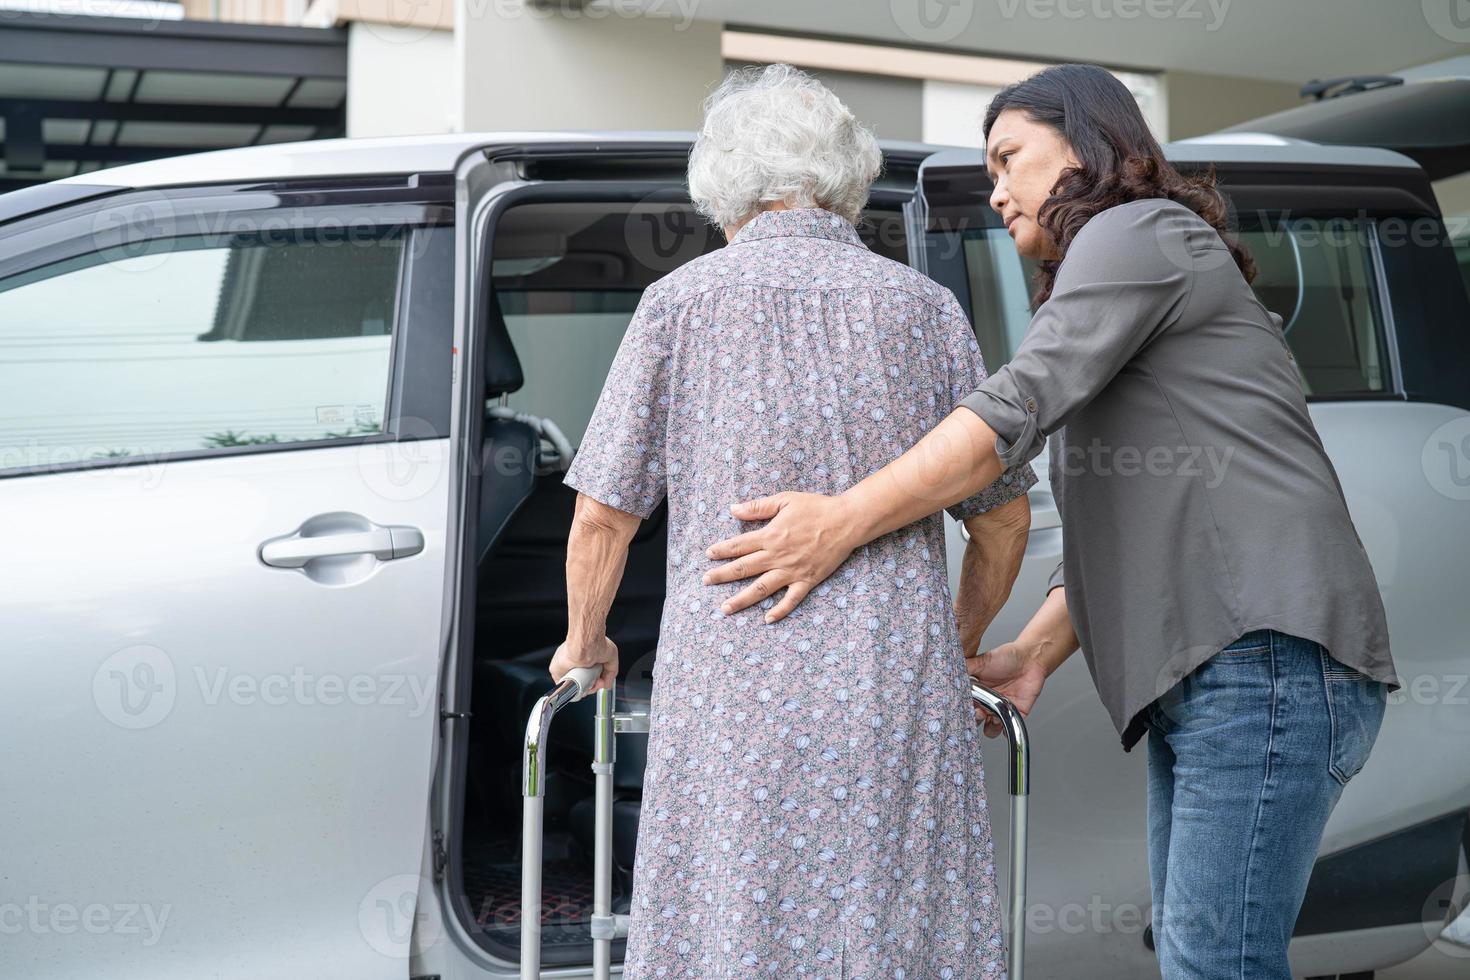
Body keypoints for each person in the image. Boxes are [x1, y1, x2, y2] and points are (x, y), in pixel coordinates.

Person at [701, 63, 1402, 980]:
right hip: (1227, 669)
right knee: (1207, 958)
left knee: (1213, 962)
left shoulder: (1138, 230)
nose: (996, 191)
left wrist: (844, 519)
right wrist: (1032, 653)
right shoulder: (1123, 272)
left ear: (1088, 142)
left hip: (1261, 656)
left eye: (1008, 158)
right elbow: (1133, 523)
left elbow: (1011, 410)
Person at [548, 63, 1035, 977]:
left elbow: (603, 519)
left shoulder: (679, 305)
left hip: (732, 693)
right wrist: (952, 643)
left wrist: (586, 645)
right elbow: (1003, 526)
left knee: (734, 914)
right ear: (848, 179)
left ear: (721, 185)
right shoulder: (926, 311)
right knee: (896, 922)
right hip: (894, 693)